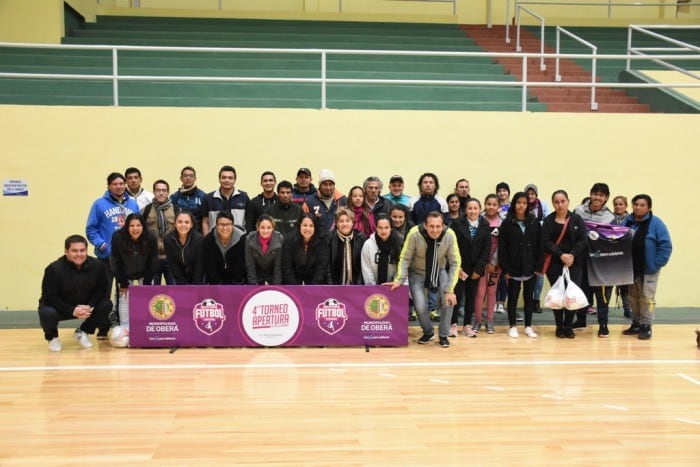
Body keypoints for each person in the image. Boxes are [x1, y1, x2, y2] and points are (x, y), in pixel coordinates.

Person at [389, 212, 460, 348]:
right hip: (418, 272)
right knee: (420, 306)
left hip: (439, 270)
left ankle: (444, 335)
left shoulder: (449, 235)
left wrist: (450, 289)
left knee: (448, 300)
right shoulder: (414, 234)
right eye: (431, 226)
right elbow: (405, 257)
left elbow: (455, 262)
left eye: (438, 226)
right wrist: (400, 279)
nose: (435, 230)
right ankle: (428, 332)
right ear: (425, 226)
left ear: (443, 225)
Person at [85, 172, 139, 337]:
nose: (119, 186)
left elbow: (137, 227)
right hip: (105, 259)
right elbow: (91, 229)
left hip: (126, 259)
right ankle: (103, 327)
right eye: (115, 184)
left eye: (121, 183)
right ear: (108, 185)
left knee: (124, 293)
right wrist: (102, 245)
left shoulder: (133, 204)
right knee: (104, 295)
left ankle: (124, 327)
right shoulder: (99, 204)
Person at [38, 235, 112, 351]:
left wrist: (90, 305)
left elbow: (101, 289)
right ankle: (52, 337)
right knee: (46, 312)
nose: (79, 254)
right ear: (66, 251)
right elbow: (50, 297)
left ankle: (83, 332)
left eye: (82, 250)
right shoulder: (53, 269)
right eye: (74, 251)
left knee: (106, 304)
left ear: (86, 251)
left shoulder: (98, 266)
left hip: (84, 307)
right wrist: (72, 310)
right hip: (61, 308)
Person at [622, 194, 672, 340]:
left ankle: (646, 326)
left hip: (649, 269)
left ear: (649, 207)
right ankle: (636, 323)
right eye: (636, 204)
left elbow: (666, 245)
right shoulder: (628, 222)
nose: (638, 207)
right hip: (630, 269)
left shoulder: (656, 223)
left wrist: (657, 263)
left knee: (646, 298)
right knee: (632, 297)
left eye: (642, 205)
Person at [541, 190, 588, 338]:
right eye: (556, 202)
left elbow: (583, 240)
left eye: (563, 201)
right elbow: (546, 242)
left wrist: (572, 255)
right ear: (553, 203)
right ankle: (559, 326)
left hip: (575, 263)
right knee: (558, 295)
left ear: (568, 201)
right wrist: (561, 255)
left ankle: (569, 326)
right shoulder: (548, 221)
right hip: (555, 263)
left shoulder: (577, 219)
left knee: (571, 295)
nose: (560, 205)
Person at [574, 182, 616, 334]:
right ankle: (580, 320)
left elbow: (612, 241)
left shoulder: (610, 217)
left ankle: (603, 324)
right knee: (581, 290)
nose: (598, 197)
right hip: (581, 259)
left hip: (600, 263)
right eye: (595, 194)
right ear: (590, 194)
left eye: (601, 195)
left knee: (602, 295)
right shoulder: (578, 210)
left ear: (606, 198)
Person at [499, 192, 542, 339]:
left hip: (530, 267)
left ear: (528, 205)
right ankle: (512, 326)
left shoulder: (534, 222)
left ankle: (528, 326)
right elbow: (502, 248)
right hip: (513, 267)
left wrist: (538, 267)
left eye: (524, 203)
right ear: (514, 204)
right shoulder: (507, 223)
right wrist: (505, 269)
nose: (521, 205)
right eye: (518, 202)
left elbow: (539, 245)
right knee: (512, 297)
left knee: (528, 297)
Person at [110, 213, 158, 338]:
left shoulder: (151, 237)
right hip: (125, 273)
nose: (135, 228)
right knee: (124, 299)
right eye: (131, 225)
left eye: (138, 225)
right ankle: (125, 328)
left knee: (147, 299)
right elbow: (115, 261)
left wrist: (147, 282)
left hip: (145, 272)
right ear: (126, 226)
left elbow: (153, 260)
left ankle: (146, 326)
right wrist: (122, 281)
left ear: (143, 226)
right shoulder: (118, 237)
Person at [450, 198, 490, 338]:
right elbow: (452, 247)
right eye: (470, 208)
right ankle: (453, 324)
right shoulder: (456, 224)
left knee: (471, 297)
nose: (472, 211)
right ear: (465, 210)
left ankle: (467, 325)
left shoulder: (485, 225)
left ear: (480, 209)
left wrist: (479, 270)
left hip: (475, 270)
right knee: (457, 296)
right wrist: (458, 268)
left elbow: (487, 250)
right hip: (460, 268)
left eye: (475, 208)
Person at [473, 194, 502, 334]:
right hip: (481, 262)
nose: (491, 207)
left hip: (495, 264)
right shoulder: (479, 220)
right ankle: (477, 320)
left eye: (494, 204)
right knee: (480, 292)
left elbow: (503, 244)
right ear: (485, 204)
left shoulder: (503, 221)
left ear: (499, 206)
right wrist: (482, 262)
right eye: (488, 204)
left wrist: (494, 262)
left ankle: (490, 320)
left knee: (491, 292)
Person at [142, 179, 179, 285]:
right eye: (158, 190)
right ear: (154, 192)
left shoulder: (176, 210)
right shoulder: (146, 210)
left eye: (164, 190)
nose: (161, 193)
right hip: (153, 258)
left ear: (168, 192)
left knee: (174, 291)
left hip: (171, 257)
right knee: (153, 293)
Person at [524, 183, 551, 315]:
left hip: (541, 244)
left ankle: (536, 300)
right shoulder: (522, 205)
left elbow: (547, 221)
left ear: (536, 194)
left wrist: (534, 223)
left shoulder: (543, 205)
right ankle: (528, 301)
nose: (530, 196)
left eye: (532, 194)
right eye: (528, 194)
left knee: (540, 274)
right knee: (526, 274)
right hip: (526, 245)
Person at [201, 165, 250, 235]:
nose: (227, 180)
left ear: (234, 180)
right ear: (219, 179)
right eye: (224, 177)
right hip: (215, 240)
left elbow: (249, 221)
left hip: (239, 239)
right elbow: (205, 222)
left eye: (230, 178)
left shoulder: (243, 197)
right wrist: (207, 240)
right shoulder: (208, 198)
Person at [281, 213, 329, 284]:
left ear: (315, 227)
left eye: (311, 226)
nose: (307, 229)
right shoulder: (289, 240)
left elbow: (321, 267)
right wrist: (294, 288)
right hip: (294, 282)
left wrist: (312, 289)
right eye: (304, 225)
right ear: (299, 226)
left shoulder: (322, 240)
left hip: (315, 282)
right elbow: (287, 267)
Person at [201, 211, 247, 285]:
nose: (225, 228)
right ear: (216, 225)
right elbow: (209, 266)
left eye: (228, 224)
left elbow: (242, 264)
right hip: (216, 284)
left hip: (238, 283)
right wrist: (217, 285)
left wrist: (237, 282)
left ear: (233, 225)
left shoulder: (243, 239)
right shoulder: (208, 240)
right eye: (221, 224)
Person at [326, 208, 367, 285]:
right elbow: (327, 266)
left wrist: (359, 285)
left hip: (356, 286)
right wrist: (331, 286)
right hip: (335, 286)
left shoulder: (361, 238)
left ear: (352, 223)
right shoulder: (329, 238)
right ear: (336, 223)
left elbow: (364, 265)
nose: (344, 224)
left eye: (348, 221)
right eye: (341, 221)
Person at [164, 211, 204, 284]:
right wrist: (182, 285)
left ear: (191, 225)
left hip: (197, 275)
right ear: (175, 224)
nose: (183, 225)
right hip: (179, 274)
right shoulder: (168, 239)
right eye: (180, 222)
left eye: (187, 222)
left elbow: (199, 265)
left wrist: (195, 286)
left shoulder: (199, 239)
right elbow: (173, 263)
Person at [361, 216, 403, 285]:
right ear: (376, 228)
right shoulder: (368, 244)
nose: (383, 231)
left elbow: (400, 268)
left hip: (394, 286)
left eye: (386, 227)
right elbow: (367, 270)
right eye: (380, 228)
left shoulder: (398, 244)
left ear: (391, 228)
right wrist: (373, 288)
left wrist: (395, 283)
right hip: (373, 288)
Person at [303, 169, 347, 233]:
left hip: (338, 241)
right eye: (325, 184)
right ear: (319, 185)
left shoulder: (343, 201)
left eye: (331, 184)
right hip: (316, 242)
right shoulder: (309, 203)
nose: (328, 188)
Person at [245, 214, 283, 285]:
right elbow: (250, 266)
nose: (265, 231)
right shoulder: (249, 239)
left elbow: (278, 267)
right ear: (257, 228)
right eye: (262, 227)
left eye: (269, 228)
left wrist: (276, 287)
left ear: (273, 228)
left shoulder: (280, 239)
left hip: (272, 276)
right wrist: (253, 285)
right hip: (257, 276)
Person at [612, 195, 632, 318]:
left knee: (625, 284)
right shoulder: (610, 218)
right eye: (616, 204)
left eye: (621, 204)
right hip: (612, 255)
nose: (618, 206)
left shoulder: (631, 219)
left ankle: (627, 307)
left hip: (626, 255)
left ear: (625, 206)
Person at [170, 165, 207, 231]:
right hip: (179, 234)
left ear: (195, 178)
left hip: (197, 235)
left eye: (191, 176)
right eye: (185, 175)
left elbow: (206, 219)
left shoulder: (202, 196)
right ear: (181, 178)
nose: (188, 178)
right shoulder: (175, 197)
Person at [494, 182, 511, 315]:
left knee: (505, 277)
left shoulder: (513, 208)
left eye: (504, 190)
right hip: (495, 246)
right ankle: (493, 302)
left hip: (508, 246)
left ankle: (501, 303)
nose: (502, 193)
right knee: (494, 276)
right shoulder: (494, 206)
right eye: (500, 191)